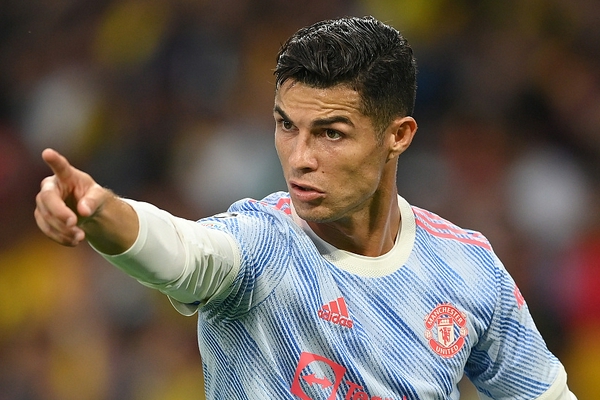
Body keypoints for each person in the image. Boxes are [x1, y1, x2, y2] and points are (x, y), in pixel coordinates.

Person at [34, 16, 576, 400]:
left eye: (331, 133)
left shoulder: (468, 268)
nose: (299, 158)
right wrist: (99, 210)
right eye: (286, 126)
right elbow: (181, 250)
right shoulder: (260, 245)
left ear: (398, 136)